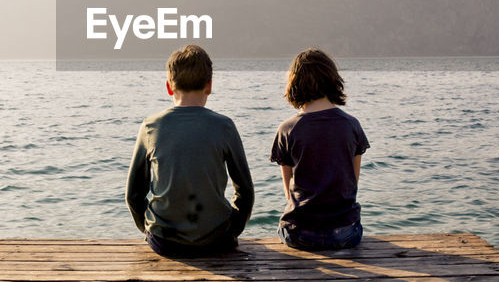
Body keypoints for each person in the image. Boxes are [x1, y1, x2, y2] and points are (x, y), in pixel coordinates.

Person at [126, 44, 254, 256]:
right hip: (217, 240)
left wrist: (148, 229)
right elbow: (245, 191)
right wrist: (233, 230)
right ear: (209, 85)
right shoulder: (225, 126)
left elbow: (133, 194)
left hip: (165, 242)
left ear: (168, 86)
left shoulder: (151, 127)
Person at [272, 48, 368, 250]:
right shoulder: (351, 125)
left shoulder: (287, 129)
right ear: (333, 80)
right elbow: (352, 184)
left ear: (294, 84)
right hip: (345, 232)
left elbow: (289, 194)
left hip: (300, 234)